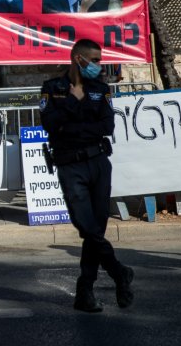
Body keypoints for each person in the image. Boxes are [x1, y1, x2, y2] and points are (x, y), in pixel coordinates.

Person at [39, 39, 134, 313]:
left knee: (97, 229)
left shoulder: (101, 90)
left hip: (98, 163)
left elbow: (106, 125)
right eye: (93, 60)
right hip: (71, 165)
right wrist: (73, 102)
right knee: (86, 226)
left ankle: (85, 292)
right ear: (78, 59)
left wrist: (73, 124)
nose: (98, 65)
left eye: (99, 60)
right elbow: (50, 124)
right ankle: (118, 272)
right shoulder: (52, 88)